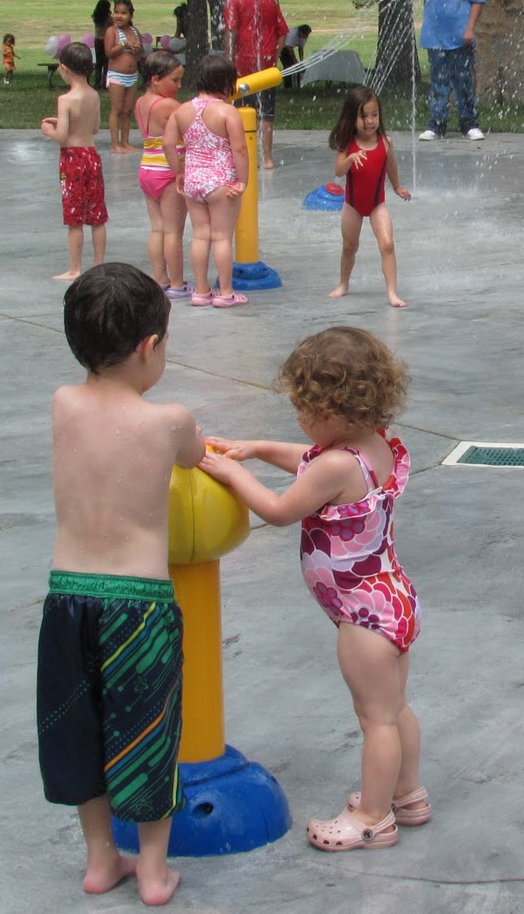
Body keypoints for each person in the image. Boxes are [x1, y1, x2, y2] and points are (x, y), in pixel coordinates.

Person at [197, 326, 426, 853]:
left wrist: (232, 475)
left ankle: (372, 818)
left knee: (375, 719)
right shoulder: (372, 445)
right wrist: (257, 449)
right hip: (390, 597)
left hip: (361, 617)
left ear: (331, 411)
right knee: (394, 708)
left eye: (303, 409)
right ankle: (407, 794)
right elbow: (311, 460)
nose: (299, 420)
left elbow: (280, 510)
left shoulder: (336, 464)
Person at [38, 261, 204, 906]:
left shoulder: (62, 403)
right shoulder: (168, 420)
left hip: (67, 598)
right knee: (147, 735)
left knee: (79, 730)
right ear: (149, 346)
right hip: (139, 605)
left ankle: (100, 860)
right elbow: (195, 456)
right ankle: (154, 873)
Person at [163, 54, 248, 308]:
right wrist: (242, 180)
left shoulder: (181, 111)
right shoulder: (227, 111)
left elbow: (168, 143)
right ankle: (226, 293)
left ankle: (201, 291)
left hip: (193, 180)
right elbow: (239, 149)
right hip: (222, 182)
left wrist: (179, 172)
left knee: (200, 236)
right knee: (222, 237)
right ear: (226, 82)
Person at [327, 86, 412, 308]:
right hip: (352, 205)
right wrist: (350, 159)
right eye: (363, 116)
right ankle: (343, 283)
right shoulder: (348, 143)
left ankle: (392, 292)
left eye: (374, 115)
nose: (370, 121)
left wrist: (397, 187)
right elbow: (338, 171)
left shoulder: (385, 142)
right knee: (349, 247)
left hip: (377, 204)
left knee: (387, 244)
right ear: (351, 117)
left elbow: (390, 165)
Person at [40, 42, 107, 281]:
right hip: (92, 155)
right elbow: (95, 128)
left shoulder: (66, 99)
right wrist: (65, 124)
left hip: (73, 159)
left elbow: (61, 137)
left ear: (65, 68)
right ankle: (99, 263)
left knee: (75, 216)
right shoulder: (94, 94)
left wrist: (48, 129)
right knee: (97, 214)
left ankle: (75, 268)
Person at [413, 0, 486, 142]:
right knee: (439, 81)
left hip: (460, 36)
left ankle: (469, 123)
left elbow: (478, 0)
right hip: (435, 36)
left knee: (463, 81)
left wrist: (470, 28)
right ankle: (436, 125)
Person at [136, 50, 190, 299]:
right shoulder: (169, 106)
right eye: (175, 80)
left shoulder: (141, 102)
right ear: (155, 79)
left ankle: (160, 278)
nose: (179, 86)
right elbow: (194, 121)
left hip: (148, 168)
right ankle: (177, 283)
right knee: (173, 231)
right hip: (168, 170)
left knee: (157, 228)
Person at [222, 0, 288, 169]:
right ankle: (267, 159)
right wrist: (274, 56)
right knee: (266, 113)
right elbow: (283, 33)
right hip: (266, 63)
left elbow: (231, 32)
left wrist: (228, 60)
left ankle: (245, 157)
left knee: (241, 110)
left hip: (243, 63)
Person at [103, 0, 146, 154]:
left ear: (130, 15)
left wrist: (137, 48)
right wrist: (124, 44)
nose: (119, 16)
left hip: (131, 76)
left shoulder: (134, 31)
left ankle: (125, 142)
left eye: (123, 13)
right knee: (117, 109)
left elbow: (141, 53)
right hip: (117, 75)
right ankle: (115, 144)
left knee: (127, 111)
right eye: (116, 12)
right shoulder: (112, 31)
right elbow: (109, 52)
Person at [90, 0, 113, 90]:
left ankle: (97, 83)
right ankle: (104, 83)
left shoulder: (96, 17)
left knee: (98, 63)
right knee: (106, 63)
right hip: (106, 40)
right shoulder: (108, 18)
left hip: (97, 40)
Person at [280, 23, 311, 88]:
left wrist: (301, 61)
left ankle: (297, 84)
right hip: (283, 47)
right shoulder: (293, 35)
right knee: (288, 66)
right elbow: (289, 48)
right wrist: (295, 61)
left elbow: (301, 48)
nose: (306, 36)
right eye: (305, 34)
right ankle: (288, 86)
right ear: (301, 32)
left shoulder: (304, 37)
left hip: (288, 47)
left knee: (296, 66)